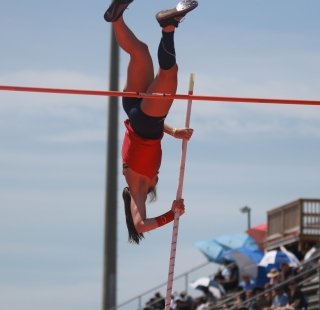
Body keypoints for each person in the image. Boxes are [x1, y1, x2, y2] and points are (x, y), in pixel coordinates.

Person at [103, 0, 198, 244]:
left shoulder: (135, 191)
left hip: (144, 124)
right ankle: (116, 18)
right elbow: (154, 128)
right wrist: (174, 131)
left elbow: (141, 225)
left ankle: (168, 27)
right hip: (138, 115)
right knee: (140, 52)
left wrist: (172, 214)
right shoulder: (139, 182)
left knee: (168, 75)